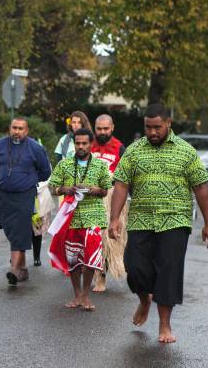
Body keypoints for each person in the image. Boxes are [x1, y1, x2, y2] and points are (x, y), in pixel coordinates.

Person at [109, 103, 208, 344]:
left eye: (157, 127)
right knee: (134, 267)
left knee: (168, 271)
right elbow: (121, 185)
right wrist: (114, 218)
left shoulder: (186, 152)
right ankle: (144, 299)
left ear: (168, 123)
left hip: (175, 219)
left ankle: (165, 325)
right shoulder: (134, 151)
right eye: (148, 127)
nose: (153, 132)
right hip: (140, 219)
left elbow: (200, 187)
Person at [48, 128, 111, 311]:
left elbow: (106, 190)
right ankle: (77, 295)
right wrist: (64, 189)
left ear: (91, 144)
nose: (81, 146)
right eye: (78, 143)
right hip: (70, 217)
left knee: (91, 258)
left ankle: (85, 295)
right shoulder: (65, 165)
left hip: (93, 217)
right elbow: (53, 187)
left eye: (84, 143)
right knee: (73, 259)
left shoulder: (100, 165)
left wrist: (94, 189)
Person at [0, 117, 51, 285]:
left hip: (25, 195)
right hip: (4, 195)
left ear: (27, 130)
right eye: (14, 128)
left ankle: (15, 270)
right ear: (9, 129)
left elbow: (45, 171)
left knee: (20, 231)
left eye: (20, 128)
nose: (17, 131)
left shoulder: (35, 148)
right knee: (11, 231)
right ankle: (22, 269)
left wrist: (28, 180)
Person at [89, 114, 127, 292]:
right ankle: (95, 275)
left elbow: (127, 177)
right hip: (90, 198)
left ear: (112, 128)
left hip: (112, 199)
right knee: (92, 240)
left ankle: (104, 275)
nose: (102, 132)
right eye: (99, 129)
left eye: (106, 128)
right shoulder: (88, 145)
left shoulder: (120, 148)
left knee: (108, 240)